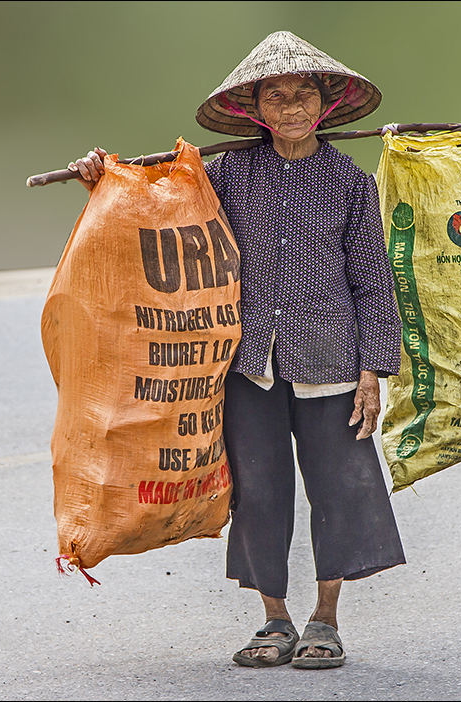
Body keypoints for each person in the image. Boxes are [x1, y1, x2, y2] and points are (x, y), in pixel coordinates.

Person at [68, 30, 405, 670]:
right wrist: (103, 178)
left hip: (331, 355)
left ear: (325, 104)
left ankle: (324, 619)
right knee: (258, 489)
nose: (291, 110)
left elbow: (372, 277)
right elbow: (156, 207)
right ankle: (275, 619)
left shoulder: (349, 181)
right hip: (245, 360)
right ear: (255, 110)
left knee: (339, 486)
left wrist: (373, 369)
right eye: (276, 98)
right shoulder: (224, 174)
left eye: (304, 96)